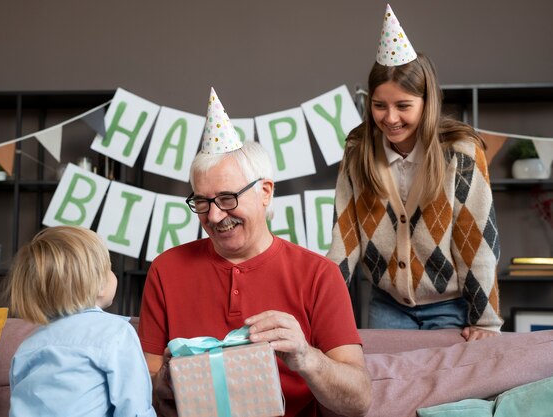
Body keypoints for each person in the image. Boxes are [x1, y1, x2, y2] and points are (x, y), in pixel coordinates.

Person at [137, 88, 371, 417]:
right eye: (202, 202)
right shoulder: (166, 269)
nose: (215, 216)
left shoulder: (319, 275)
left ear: (265, 191)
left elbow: (359, 399)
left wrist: (305, 356)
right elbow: (142, 385)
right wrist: (166, 379)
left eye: (227, 198)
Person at [327, 4, 503, 341]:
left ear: (427, 102)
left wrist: (486, 323)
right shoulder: (358, 153)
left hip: (453, 307)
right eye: (380, 106)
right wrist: (319, 314)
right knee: (388, 389)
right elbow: (344, 241)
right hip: (387, 306)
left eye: (403, 106)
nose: (390, 118)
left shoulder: (461, 153)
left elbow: (477, 241)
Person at [5, 226, 156, 417]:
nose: (113, 274)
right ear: (100, 285)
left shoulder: (27, 346)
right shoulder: (116, 332)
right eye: (109, 268)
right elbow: (134, 406)